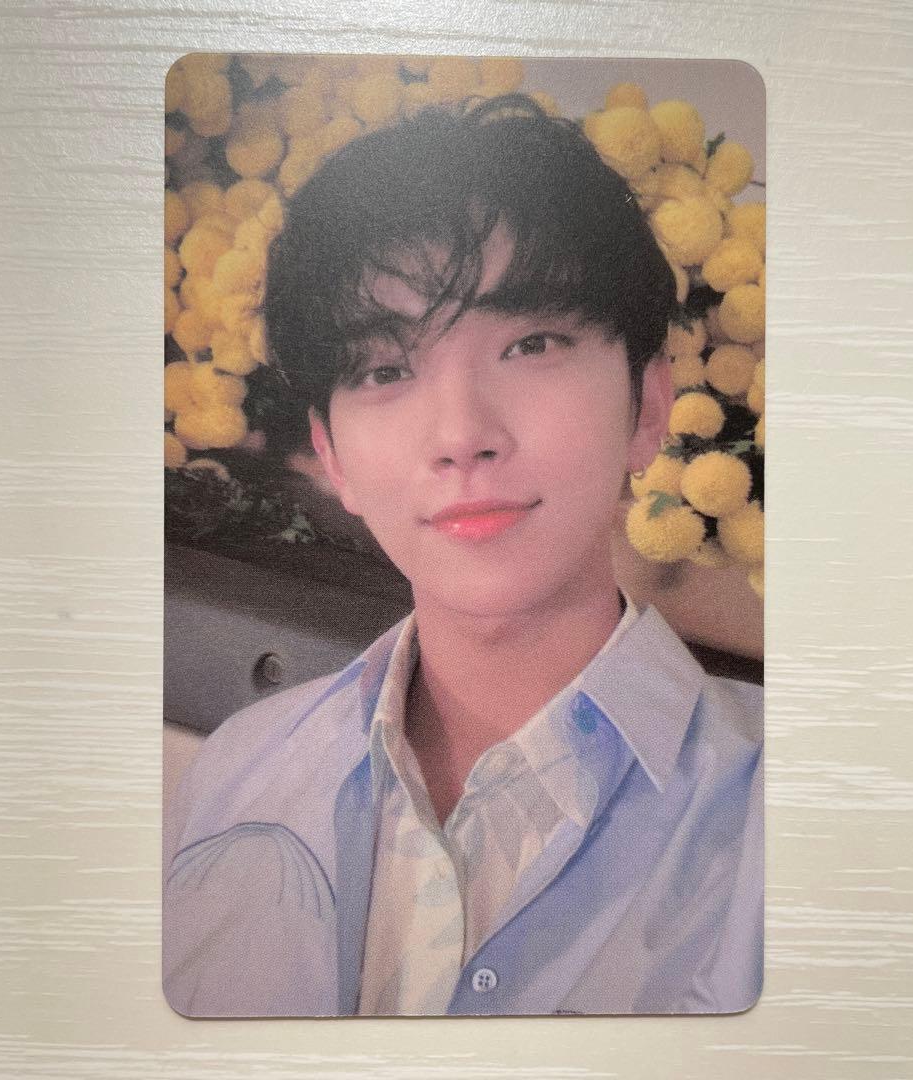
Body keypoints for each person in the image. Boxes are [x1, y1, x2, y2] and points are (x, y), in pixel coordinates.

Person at [163, 95, 762, 1017]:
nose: (460, 436)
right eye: (384, 370)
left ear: (648, 408)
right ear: (331, 455)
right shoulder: (236, 775)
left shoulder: (800, 821)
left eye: (531, 343)